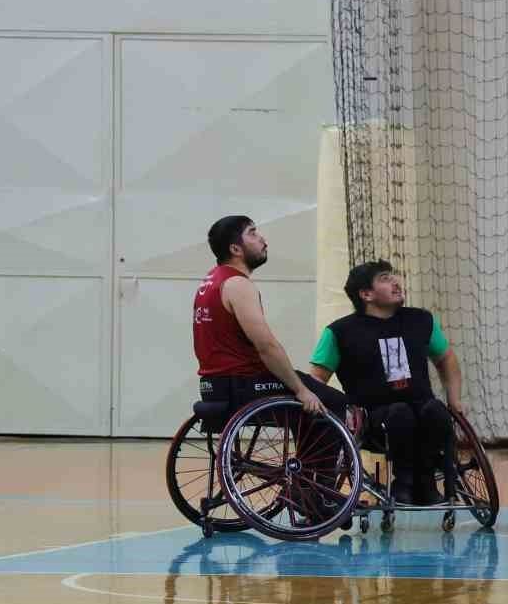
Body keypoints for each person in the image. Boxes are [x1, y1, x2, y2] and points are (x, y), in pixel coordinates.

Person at [308, 261, 465, 505]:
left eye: (394, 276)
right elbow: (316, 380)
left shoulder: (421, 320)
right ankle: (403, 484)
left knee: (436, 411)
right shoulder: (339, 332)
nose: (396, 282)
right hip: (373, 417)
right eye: (384, 278)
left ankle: (426, 483)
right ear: (366, 294)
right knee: (400, 414)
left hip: (421, 406)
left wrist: (454, 398)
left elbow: (446, 359)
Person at [193, 215, 344, 418]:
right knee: (334, 402)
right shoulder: (238, 284)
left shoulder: (211, 280)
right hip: (243, 384)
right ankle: (327, 451)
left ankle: (312, 449)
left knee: (311, 392)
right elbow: (266, 347)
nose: (264, 240)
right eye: (253, 233)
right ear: (235, 249)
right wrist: (301, 390)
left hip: (214, 386)